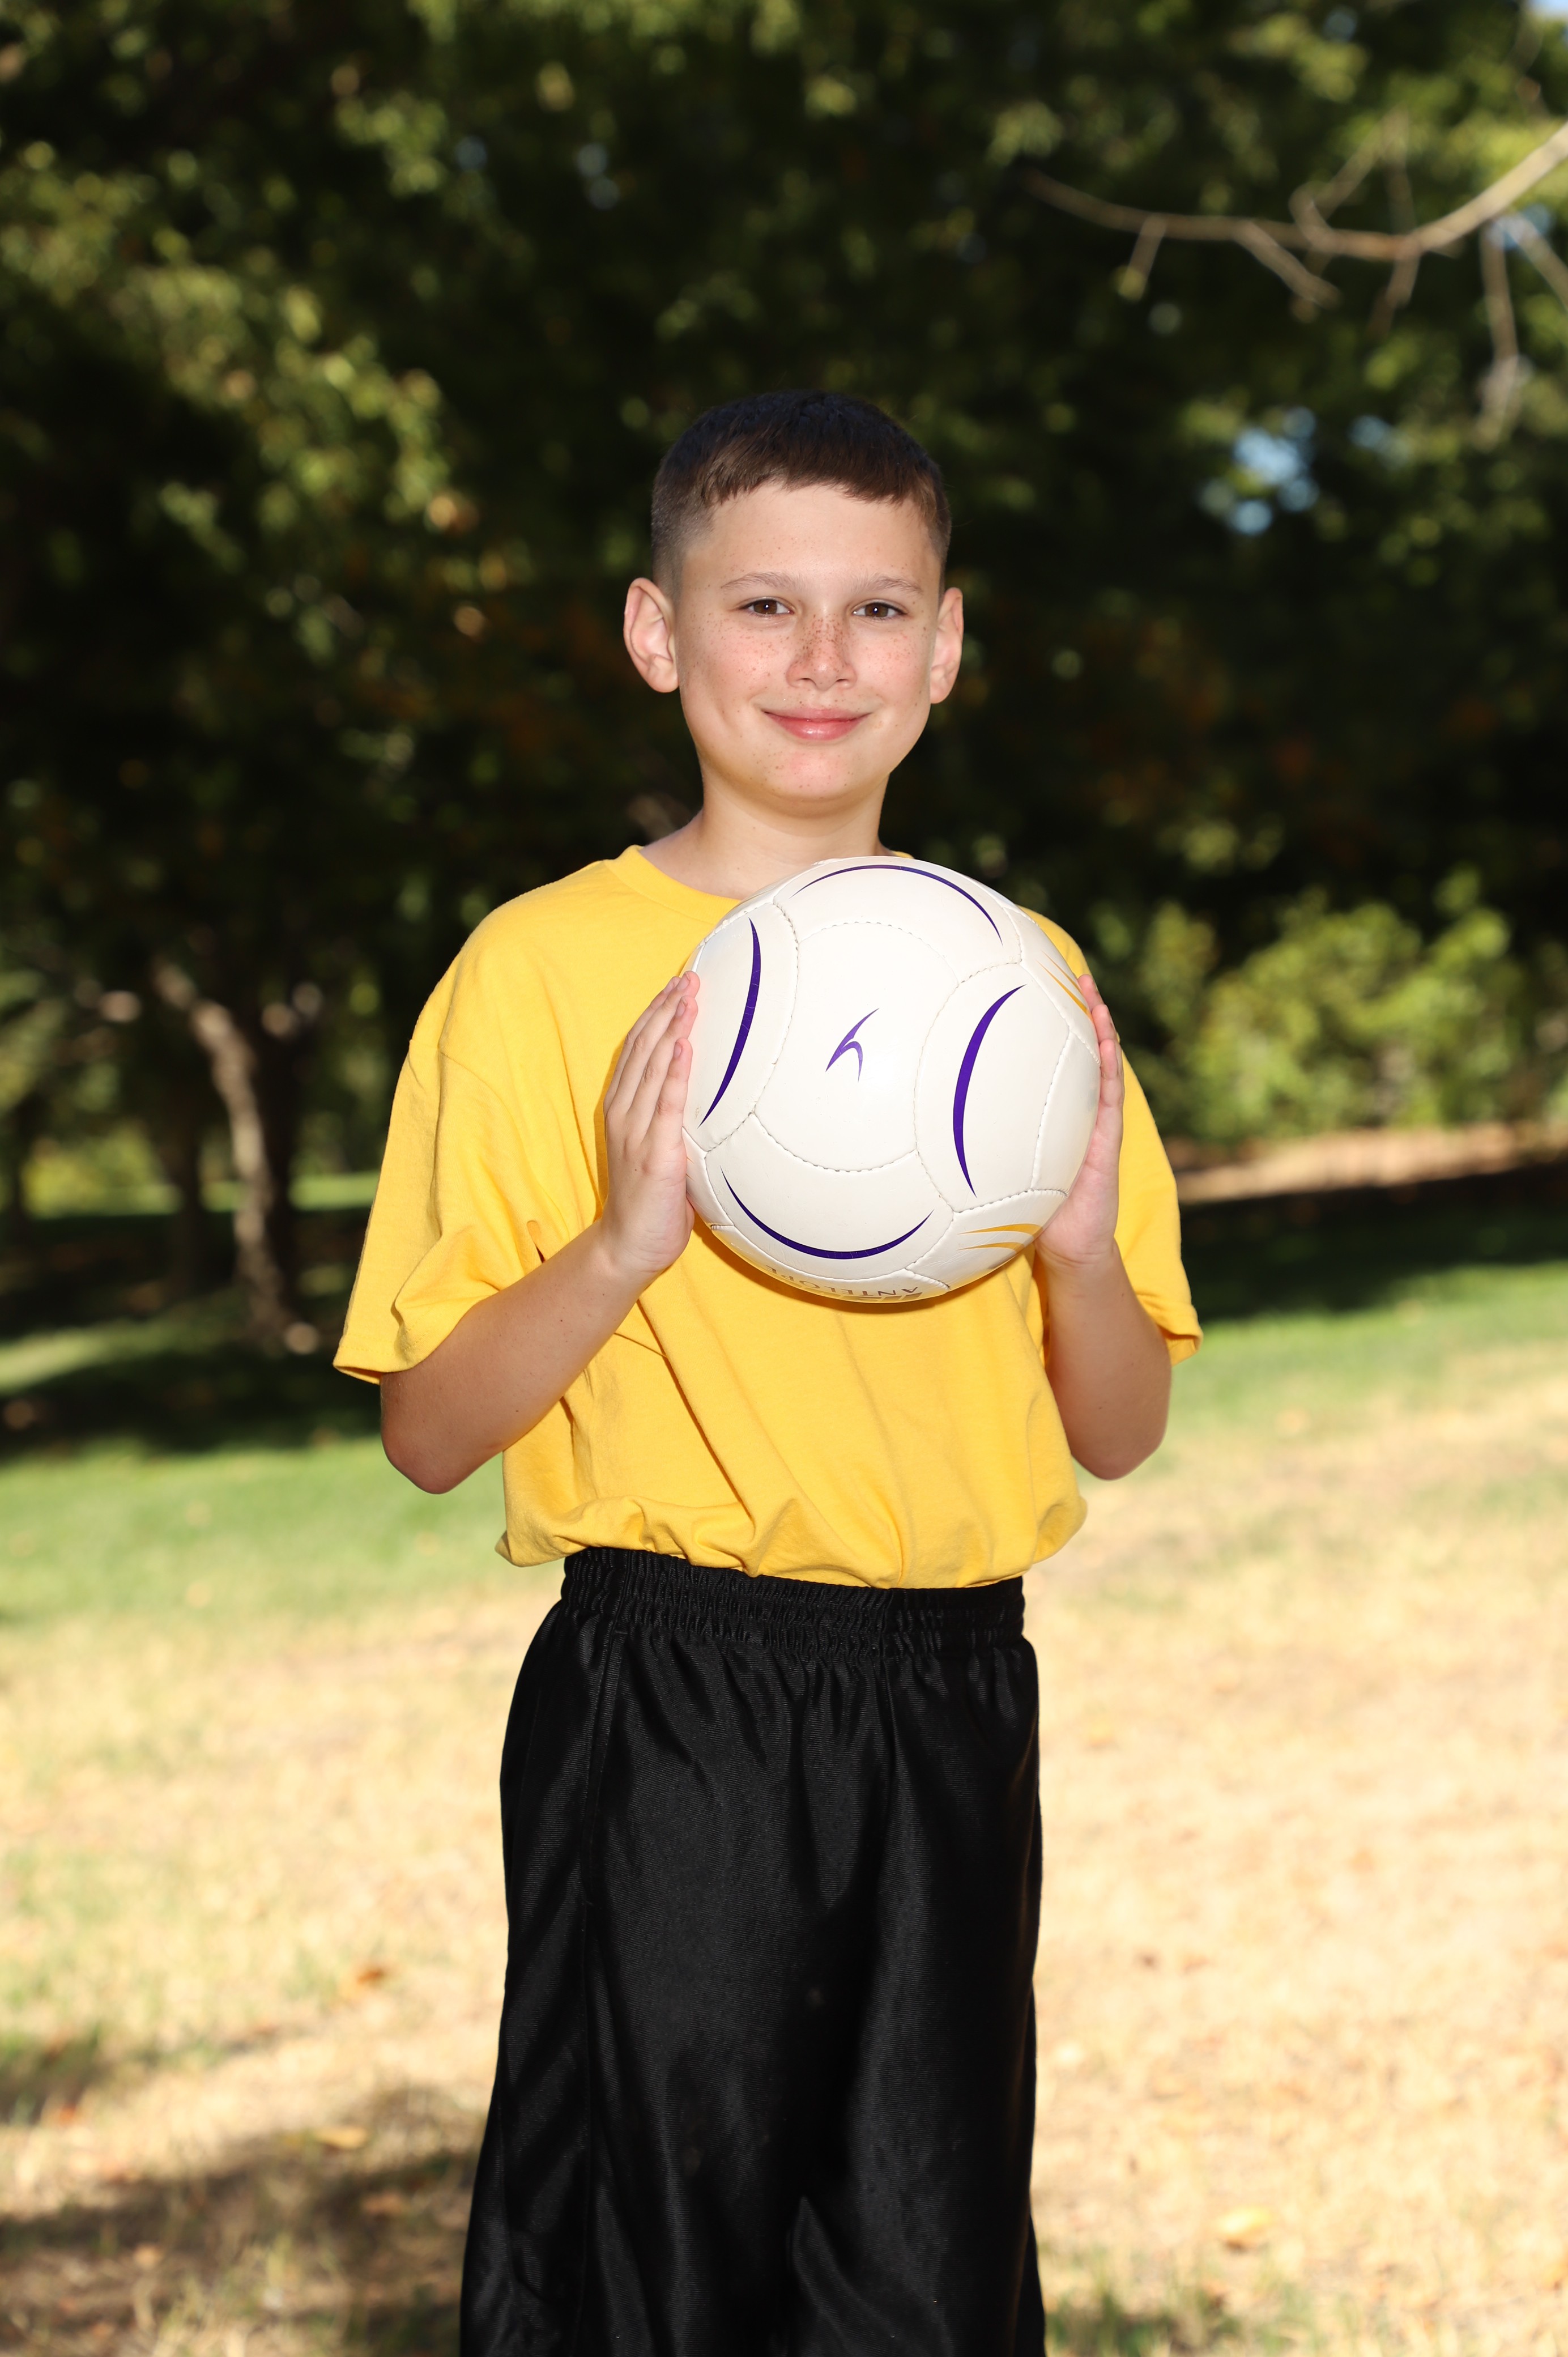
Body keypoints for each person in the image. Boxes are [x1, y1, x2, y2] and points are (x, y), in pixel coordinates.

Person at [335, 389, 1200, 2357]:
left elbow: (1122, 1428)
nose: (824, 659)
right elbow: (427, 1433)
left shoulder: (1026, 984)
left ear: (947, 647)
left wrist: (1079, 1255)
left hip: (955, 1693)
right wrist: (624, 1245)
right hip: (674, 1702)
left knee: (922, 2279)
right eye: (765, 605)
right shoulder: (537, 973)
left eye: (879, 610)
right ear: (658, 634)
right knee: (645, 2276)